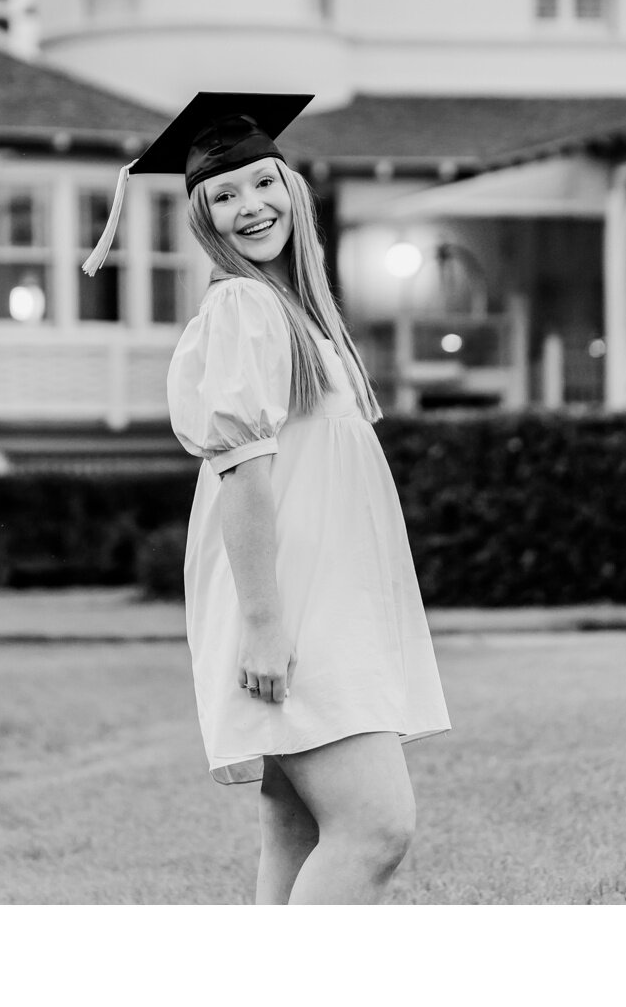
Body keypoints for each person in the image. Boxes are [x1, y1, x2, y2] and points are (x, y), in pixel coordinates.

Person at [83, 92, 449, 904]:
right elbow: (242, 472)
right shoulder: (246, 307)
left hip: (322, 597)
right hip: (292, 607)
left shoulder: (295, 313)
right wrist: (263, 624)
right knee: (376, 824)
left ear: (292, 185)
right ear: (204, 218)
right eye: (223, 195)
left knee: (297, 825)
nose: (250, 207)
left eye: (260, 183)